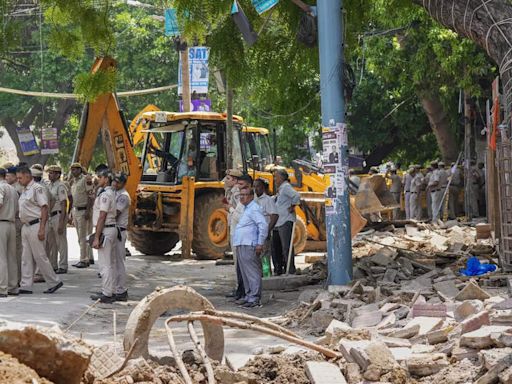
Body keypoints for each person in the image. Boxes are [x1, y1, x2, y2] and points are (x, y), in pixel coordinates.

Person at [16, 166, 62, 294]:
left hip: (36, 225)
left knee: (40, 256)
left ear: (27, 176)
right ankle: (26, 285)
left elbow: (44, 208)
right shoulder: (25, 190)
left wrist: (42, 228)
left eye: (20, 177)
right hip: (26, 226)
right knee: (26, 257)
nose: (18, 180)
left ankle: (54, 281)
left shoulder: (37, 188)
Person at [232, 182, 268, 308]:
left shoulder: (254, 208)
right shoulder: (246, 209)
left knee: (252, 272)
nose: (242, 197)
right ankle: (248, 296)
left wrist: (260, 243)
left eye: (245, 195)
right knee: (245, 272)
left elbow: (263, 225)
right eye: (240, 195)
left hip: (250, 244)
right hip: (242, 243)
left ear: (251, 196)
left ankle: (254, 298)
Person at [90, 169, 118, 303]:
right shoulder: (109, 193)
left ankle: (107, 293)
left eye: (100, 177)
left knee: (104, 264)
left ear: (106, 179)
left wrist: (97, 236)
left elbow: (102, 216)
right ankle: (109, 290)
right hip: (110, 229)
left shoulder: (106, 194)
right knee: (109, 263)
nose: (98, 179)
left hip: (106, 229)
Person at [272, 169, 300, 275]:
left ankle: (290, 269)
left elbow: (296, 196)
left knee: (286, 246)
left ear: (281, 177)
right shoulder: (281, 188)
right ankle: (282, 268)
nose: (275, 179)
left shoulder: (286, 187)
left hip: (285, 220)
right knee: (278, 246)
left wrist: (292, 206)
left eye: (276, 177)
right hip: (279, 220)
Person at [223, 169, 245, 300]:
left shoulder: (237, 192)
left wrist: (229, 208)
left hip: (238, 229)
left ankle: (241, 289)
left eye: (229, 178)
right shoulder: (230, 191)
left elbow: (239, 212)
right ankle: (239, 288)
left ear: (236, 181)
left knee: (239, 262)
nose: (226, 180)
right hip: (234, 228)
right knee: (237, 262)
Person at [69, 162, 94, 268]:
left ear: (80, 170)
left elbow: (91, 196)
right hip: (76, 210)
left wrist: (88, 211)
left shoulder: (86, 179)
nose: (73, 171)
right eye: (72, 169)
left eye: (75, 169)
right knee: (81, 236)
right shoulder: (73, 181)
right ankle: (89, 257)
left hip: (84, 210)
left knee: (83, 236)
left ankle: (83, 259)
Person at [0, 167, 19, 297]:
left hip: (1, 223)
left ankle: (2, 288)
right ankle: (13, 286)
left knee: (1, 257)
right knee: (11, 257)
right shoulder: (13, 189)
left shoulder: (0, 187)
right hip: (11, 223)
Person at [47, 165, 69, 274]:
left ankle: (63, 265)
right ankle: (53, 265)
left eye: (52, 173)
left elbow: (64, 204)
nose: (49, 174)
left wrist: (61, 222)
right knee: (52, 243)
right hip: (51, 216)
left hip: (58, 215)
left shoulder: (61, 186)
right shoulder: (49, 185)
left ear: (57, 174)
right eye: (49, 172)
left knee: (61, 241)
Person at [254, 178, 278, 273]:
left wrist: (268, 230)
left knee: (264, 256)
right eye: (254, 186)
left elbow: (274, 216)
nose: (256, 189)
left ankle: (267, 276)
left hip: (263, 233)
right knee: (256, 257)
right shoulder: (253, 200)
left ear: (263, 187)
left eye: (258, 186)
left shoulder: (268, 200)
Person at [112, 172, 130, 301]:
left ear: (123, 183)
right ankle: (114, 288)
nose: (115, 183)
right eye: (114, 181)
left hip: (119, 231)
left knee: (119, 262)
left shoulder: (123, 196)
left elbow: (115, 213)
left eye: (118, 182)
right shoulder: (115, 193)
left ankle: (121, 290)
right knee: (113, 261)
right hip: (115, 230)